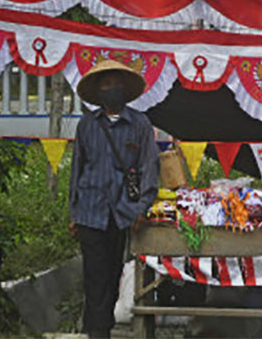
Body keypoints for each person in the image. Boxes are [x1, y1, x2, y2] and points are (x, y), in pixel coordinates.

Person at [69, 59, 159, 339]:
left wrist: (140, 208)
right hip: (89, 211)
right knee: (95, 276)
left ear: (124, 88)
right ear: (98, 91)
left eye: (116, 83)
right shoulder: (86, 125)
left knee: (112, 274)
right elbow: (77, 169)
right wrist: (73, 213)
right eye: (106, 84)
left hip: (122, 213)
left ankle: (100, 326)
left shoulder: (140, 124)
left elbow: (148, 168)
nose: (112, 88)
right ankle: (98, 332)